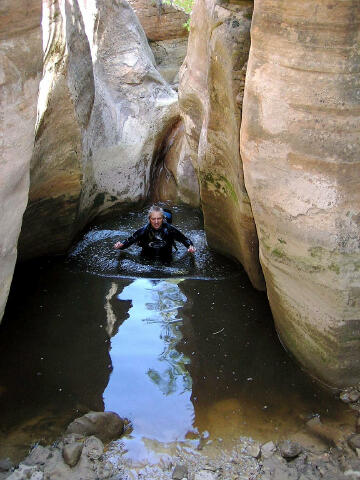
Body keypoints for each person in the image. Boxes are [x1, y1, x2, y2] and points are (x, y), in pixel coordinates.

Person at [114, 205, 196, 262]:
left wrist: (190, 247)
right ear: (149, 219)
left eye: (159, 219)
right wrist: (121, 245)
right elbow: (129, 241)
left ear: (163, 218)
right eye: (153, 219)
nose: (156, 222)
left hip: (167, 258)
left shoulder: (170, 229)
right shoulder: (143, 231)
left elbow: (185, 240)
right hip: (146, 260)